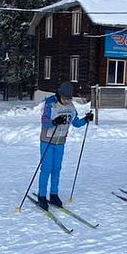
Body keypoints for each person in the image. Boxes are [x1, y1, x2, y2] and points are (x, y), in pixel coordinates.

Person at [37, 81, 92, 210]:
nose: (67, 101)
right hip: (47, 141)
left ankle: (54, 194)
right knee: (46, 169)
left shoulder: (71, 106)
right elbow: (44, 121)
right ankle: (41, 195)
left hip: (60, 142)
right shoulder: (50, 103)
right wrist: (54, 121)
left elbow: (76, 122)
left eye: (69, 99)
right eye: (65, 98)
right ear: (59, 94)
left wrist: (86, 119)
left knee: (57, 169)